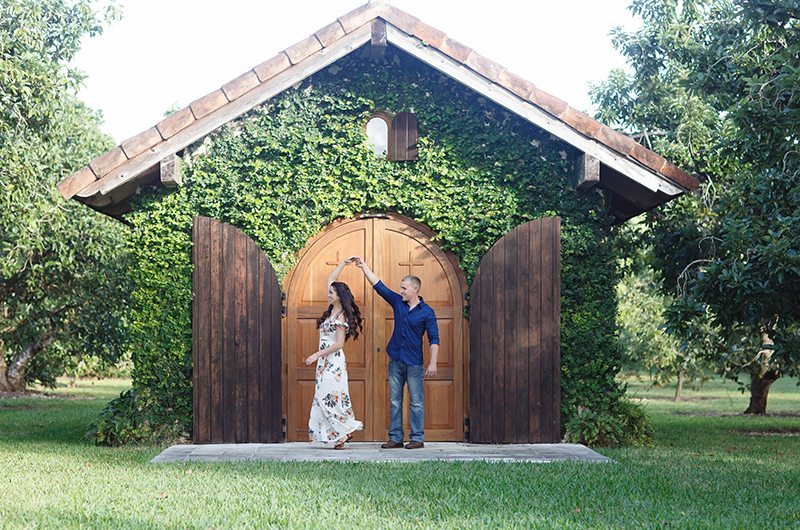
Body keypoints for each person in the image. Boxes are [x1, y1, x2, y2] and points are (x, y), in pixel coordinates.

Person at [352, 256, 439, 449]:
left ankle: (417, 438)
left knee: (416, 402)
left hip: (415, 362)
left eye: (404, 288)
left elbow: (434, 339)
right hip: (396, 360)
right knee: (395, 401)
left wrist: (433, 363)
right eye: (400, 288)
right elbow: (379, 286)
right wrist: (364, 267)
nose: (401, 291)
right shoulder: (397, 302)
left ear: (415, 289)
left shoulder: (427, 312)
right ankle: (396, 438)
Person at [306, 258, 364, 449]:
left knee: (329, 396)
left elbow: (339, 344)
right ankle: (340, 435)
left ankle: (344, 431)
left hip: (334, 362)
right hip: (325, 362)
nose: (329, 295)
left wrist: (317, 354)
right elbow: (331, 278)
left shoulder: (341, 317)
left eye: (331, 293)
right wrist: (344, 264)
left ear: (339, 296)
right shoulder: (331, 311)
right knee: (323, 395)